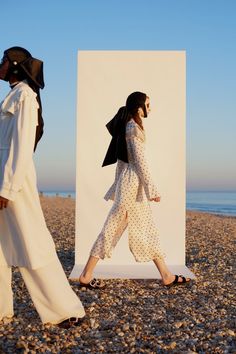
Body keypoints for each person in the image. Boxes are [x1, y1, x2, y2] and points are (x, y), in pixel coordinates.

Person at [0, 46, 85, 328]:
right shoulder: (13, 94)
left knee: (32, 244)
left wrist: (7, 188)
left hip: (15, 182)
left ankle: (64, 310)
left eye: (3, 61)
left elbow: (22, 147)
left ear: (14, 65)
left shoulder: (25, 96)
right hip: (3, 179)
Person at [79, 91, 191, 289]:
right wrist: (151, 188)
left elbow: (123, 164)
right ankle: (86, 275)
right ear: (140, 108)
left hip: (131, 186)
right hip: (133, 187)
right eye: (148, 104)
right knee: (111, 229)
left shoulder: (130, 126)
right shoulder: (132, 128)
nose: (150, 108)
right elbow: (139, 162)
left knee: (146, 229)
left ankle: (166, 275)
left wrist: (120, 185)